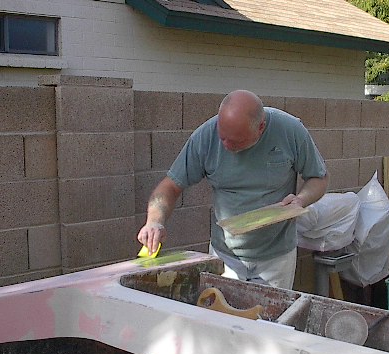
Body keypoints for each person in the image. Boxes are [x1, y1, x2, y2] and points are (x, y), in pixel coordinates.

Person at [137, 90, 328, 289]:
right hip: (225, 256)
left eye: (236, 141)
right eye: (223, 137)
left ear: (261, 127)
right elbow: (170, 186)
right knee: (219, 308)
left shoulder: (290, 130)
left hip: (276, 259)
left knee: (267, 310)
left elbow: (319, 178)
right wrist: (154, 222)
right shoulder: (205, 136)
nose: (226, 145)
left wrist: (301, 200)